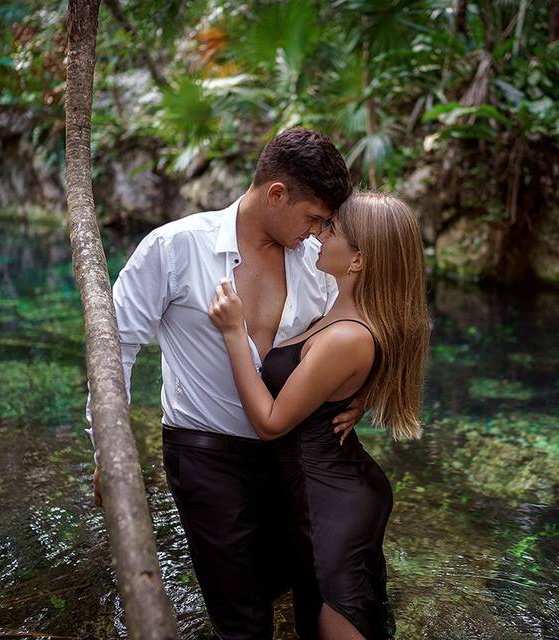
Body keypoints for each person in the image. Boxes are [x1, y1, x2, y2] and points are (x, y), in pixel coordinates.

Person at [87, 128, 364, 639]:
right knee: (241, 618)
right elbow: (114, 345)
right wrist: (107, 449)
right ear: (277, 193)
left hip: (290, 453)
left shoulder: (315, 267)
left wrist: (360, 394)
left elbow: (347, 339)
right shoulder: (174, 248)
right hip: (204, 453)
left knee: (304, 585)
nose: (318, 231)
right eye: (314, 218)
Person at [209, 191, 430, 640]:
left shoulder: (347, 336)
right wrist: (362, 394)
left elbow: (270, 423)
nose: (319, 233)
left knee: (336, 620)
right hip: (327, 490)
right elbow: (392, 340)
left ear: (357, 262)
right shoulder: (347, 314)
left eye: (332, 229)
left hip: (331, 501)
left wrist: (235, 334)